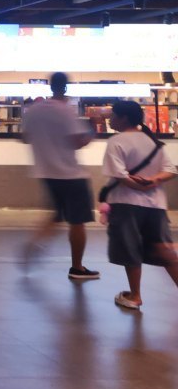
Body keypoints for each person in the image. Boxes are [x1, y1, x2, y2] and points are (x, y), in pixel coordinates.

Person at [21, 72, 100, 280]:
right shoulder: (65, 111)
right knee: (77, 221)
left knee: (56, 215)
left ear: (50, 86)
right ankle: (77, 267)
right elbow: (77, 142)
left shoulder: (34, 110)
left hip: (46, 173)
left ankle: (32, 245)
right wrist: (92, 132)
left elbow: (25, 138)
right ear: (65, 87)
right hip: (71, 174)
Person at [101, 100, 178, 310]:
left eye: (113, 115)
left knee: (130, 250)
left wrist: (138, 186)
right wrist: (152, 181)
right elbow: (170, 170)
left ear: (124, 118)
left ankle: (135, 296)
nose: (110, 119)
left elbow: (120, 175)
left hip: (126, 204)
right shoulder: (152, 141)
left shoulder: (116, 141)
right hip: (156, 205)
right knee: (163, 250)